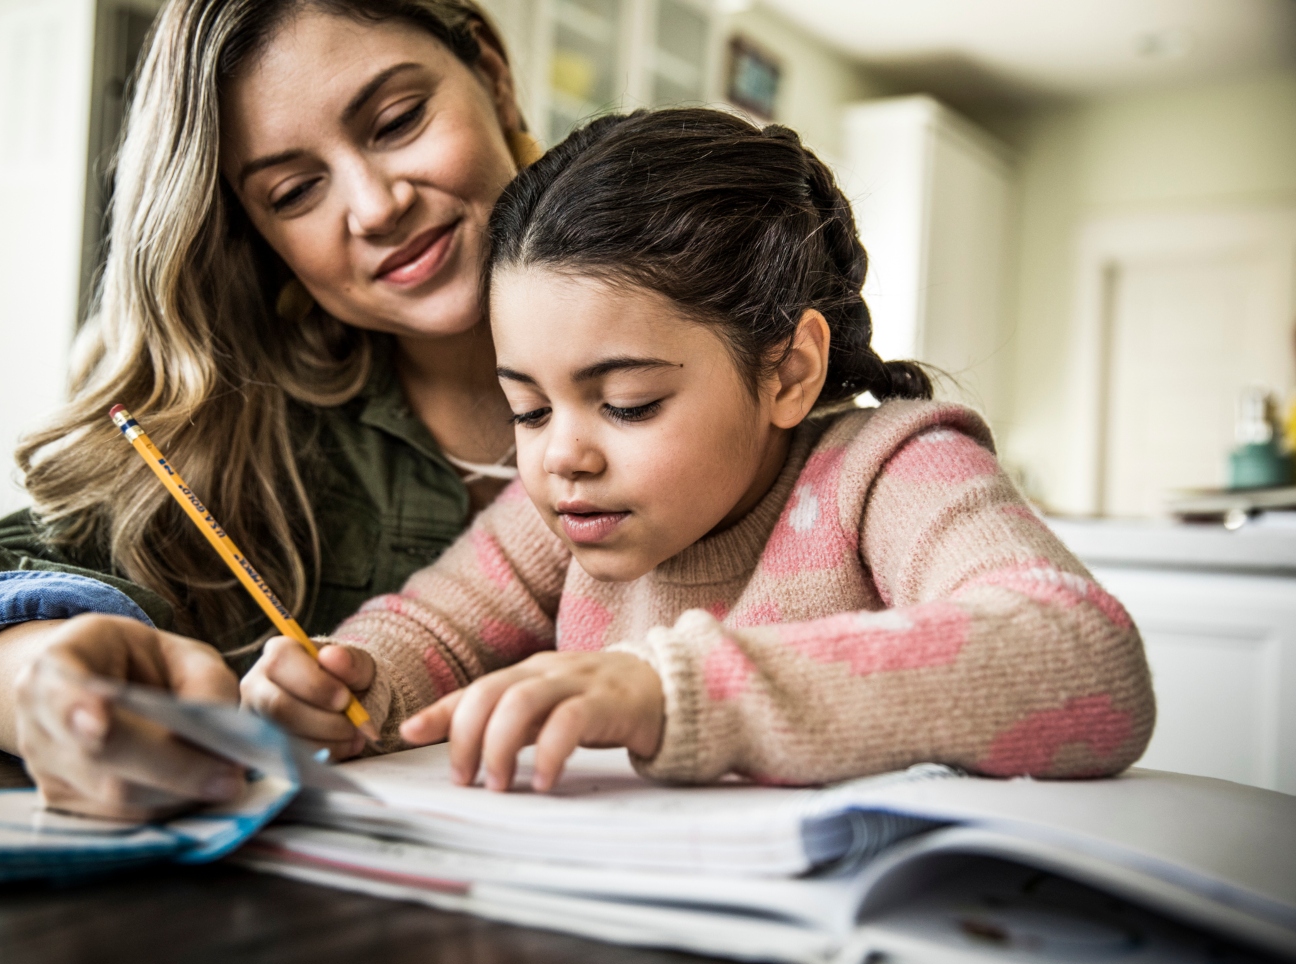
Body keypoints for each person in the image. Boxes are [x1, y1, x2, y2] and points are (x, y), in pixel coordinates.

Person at [242, 108, 1155, 792]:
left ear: (789, 370)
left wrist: (672, 690)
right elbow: (429, 630)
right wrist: (350, 684)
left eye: (629, 404)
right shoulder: (562, 513)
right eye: (525, 409)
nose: (563, 455)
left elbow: (1084, 658)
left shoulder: (892, 469)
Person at [0, 0, 540, 818]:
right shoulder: (249, 432)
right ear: (254, 228)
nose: (376, 207)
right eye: (296, 190)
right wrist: (56, 692)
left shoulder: (717, 302)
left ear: (491, 71)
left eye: (397, 121)